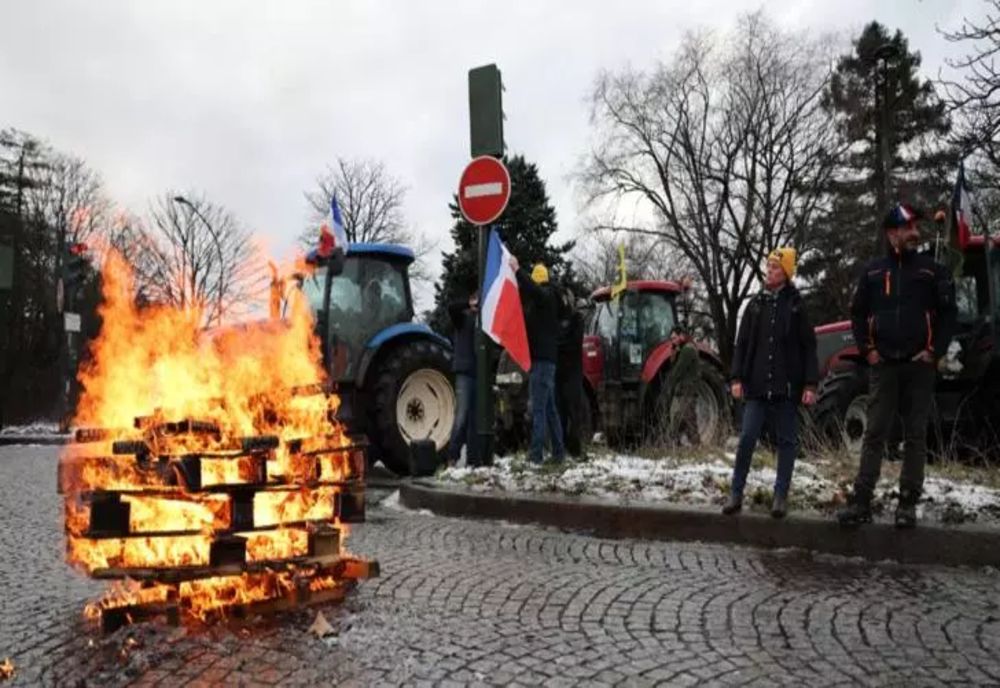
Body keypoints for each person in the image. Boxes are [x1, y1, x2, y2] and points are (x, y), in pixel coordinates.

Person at [837, 204, 957, 529]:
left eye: (916, 227)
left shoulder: (932, 271)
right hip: (884, 366)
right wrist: (868, 351)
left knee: (915, 435)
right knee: (874, 433)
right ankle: (862, 500)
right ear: (892, 234)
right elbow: (858, 314)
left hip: (920, 366)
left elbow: (949, 314)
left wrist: (935, 351)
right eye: (908, 228)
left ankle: (907, 503)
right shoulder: (874, 273)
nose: (915, 232)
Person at [724, 247, 818, 519]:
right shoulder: (754, 306)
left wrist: (810, 385)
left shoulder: (797, 306)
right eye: (768, 266)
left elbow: (808, 347)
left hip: (786, 389)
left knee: (787, 442)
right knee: (747, 438)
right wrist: (737, 377)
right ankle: (736, 493)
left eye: (775, 267)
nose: (770, 271)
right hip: (755, 387)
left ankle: (780, 496)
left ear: (787, 272)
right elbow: (741, 346)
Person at [508, 256, 566, 464]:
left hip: (541, 362)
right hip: (546, 361)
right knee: (550, 410)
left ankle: (536, 456)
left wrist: (517, 269)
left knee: (539, 410)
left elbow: (534, 291)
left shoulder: (546, 296)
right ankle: (559, 453)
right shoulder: (549, 302)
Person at [447, 290, 480, 467]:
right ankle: (452, 456)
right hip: (464, 373)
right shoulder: (462, 318)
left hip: (477, 373)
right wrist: (468, 304)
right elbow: (451, 308)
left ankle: (473, 459)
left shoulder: (480, 322)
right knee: (462, 415)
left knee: (474, 418)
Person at [556, 287, 586, 459]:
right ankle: (561, 446)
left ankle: (575, 447)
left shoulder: (576, 319)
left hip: (572, 371)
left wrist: (561, 343)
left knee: (574, 411)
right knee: (559, 410)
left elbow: (573, 343)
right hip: (560, 371)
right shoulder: (556, 319)